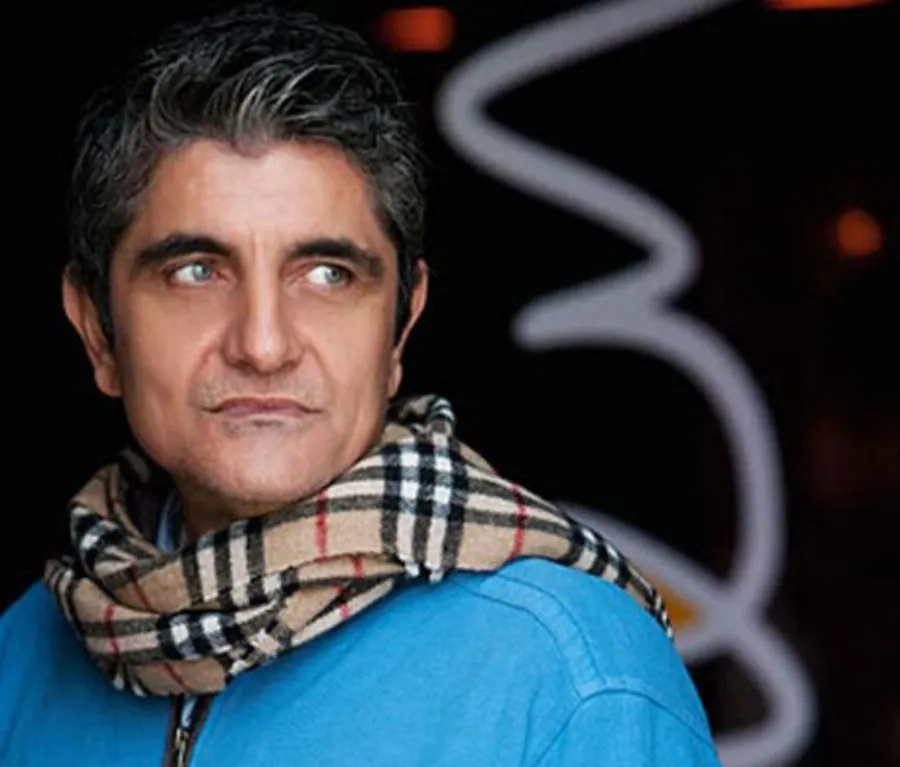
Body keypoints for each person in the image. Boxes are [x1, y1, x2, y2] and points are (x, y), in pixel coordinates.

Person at [0, 5, 721, 765]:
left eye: (327, 274)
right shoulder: (21, 659)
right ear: (97, 328)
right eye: (196, 271)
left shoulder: (570, 677)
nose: (264, 345)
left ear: (400, 327)